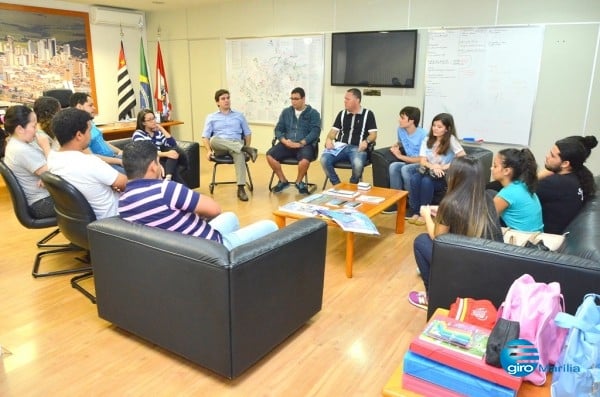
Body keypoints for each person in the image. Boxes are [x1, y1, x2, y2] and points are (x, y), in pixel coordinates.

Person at [119, 140, 278, 250]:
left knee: (231, 217)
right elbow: (214, 209)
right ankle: (233, 256)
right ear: (154, 166)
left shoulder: (123, 201)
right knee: (270, 226)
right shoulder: (166, 190)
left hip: (182, 244)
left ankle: (239, 258)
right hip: (210, 248)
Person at [409, 156, 503, 310]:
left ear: (454, 176)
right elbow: (468, 216)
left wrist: (426, 214)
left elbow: (439, 239)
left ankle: (432, 297)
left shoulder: (450, 203)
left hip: (467, 267)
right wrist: (440, 212)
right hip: (491, 266)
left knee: (421, 241)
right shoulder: (488, 197)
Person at [47, 108, 127, 220]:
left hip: (86, 220)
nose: (90, 135)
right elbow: (127, 185)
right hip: (115, 217)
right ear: (79, 135)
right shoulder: (89, 162)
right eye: (89, 131)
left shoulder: (52, 158)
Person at [408, 113, 465, 225]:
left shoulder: (451, 140)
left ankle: (425, 214)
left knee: (426, 181)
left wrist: (443, 167)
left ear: (447, 129)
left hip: (443, 175)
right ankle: (416, 211)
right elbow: (423, 161)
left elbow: (463, 157)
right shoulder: (427, 140)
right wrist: (434, 166)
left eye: (439, 127)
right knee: (414, 178)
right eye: (434, 125)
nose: (435, 129)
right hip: (429, 171)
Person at [202, 89, 258, 201]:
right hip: (220, 146)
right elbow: (205, 137)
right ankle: (246, 149)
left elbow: (247, 133)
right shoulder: (211, 117)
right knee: (214, 140)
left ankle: (241, 188)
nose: (226, 100)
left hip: (236, 144)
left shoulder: (239, 116)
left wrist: (246, 143)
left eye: (228, 98)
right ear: (217, 102)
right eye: (223, 99)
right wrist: (208, 150)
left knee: (238, 153)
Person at [2, 105, 55, 218]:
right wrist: (46, 146)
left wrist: (45, 176)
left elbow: (49, 172)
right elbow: (54, 173)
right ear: (20, 129)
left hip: (43, 197)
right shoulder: (21, 150)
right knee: (89, 195)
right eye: (34, 126)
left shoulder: (18, 143)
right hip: (42, 203)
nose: (36, 130)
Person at [537, 135, 597, 234]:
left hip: (544, 238)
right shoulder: (578, 178)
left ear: (565, 164)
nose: (547, 156)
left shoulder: (554, 183)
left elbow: (516, 195)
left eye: (552, 155)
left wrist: (538, 176)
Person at [267, 87, 321, 194]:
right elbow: (278, 129)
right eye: (292, 99)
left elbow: (315, 132)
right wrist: (283, 140)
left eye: (296, 99)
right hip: (287, 143)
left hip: (304, 145)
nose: (293, 101)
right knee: (270, 156)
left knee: (304, 161)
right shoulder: (286, 112)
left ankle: (299, 182)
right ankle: (283, 181)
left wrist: (301, 143)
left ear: (303, 99)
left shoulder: (313, 113)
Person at [320, 88, 377, 185]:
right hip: (340, 147)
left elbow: (373, 135)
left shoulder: (368, 114)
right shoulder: (342, 114)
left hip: (357, 148)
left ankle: (352, 185)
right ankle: (337, 185)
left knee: (358, 164)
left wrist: (366, 141)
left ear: (357, 100)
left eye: (348, 99)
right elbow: (333, 132)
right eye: (344, 99)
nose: (344, 101)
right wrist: (329, 139)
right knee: (324, 159)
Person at [384, 106, 427, 213]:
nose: (399, 120)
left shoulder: (424, 135)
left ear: (411, 120)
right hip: (408, 161)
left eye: (402, 118)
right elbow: (402, 142)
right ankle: (397, 202)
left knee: (406, 169)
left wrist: (400, 156)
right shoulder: (400, 130)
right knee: (393, 166)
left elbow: (422, 159)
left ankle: (413, 205)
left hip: (422, 164)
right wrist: (396, 145)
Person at [70, 92, 125, 174]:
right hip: (104, 165)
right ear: (79, 107)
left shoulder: (89, 122)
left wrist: (119, 151)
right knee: (138, 174)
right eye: (90, 105)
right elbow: (90, 157)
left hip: (113, 158)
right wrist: (118, 161)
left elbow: (102, 141)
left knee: (141, 162)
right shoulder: (77, 130)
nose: (94, 108)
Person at [490, 148, 543, 232]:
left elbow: (483, 221)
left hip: (522, 241)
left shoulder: (507, 194)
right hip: (538, 237)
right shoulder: (523, 185)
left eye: (495, 166)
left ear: (506, 171)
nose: (491, 168)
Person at [132, 109, 186, 184]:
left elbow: (172, 144)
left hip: (159, 158)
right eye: (150, 120)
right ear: (143, 123)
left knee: (175, 150)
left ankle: (168, 177)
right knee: (174, 169)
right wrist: (166, 154)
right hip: (147, 161)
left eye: (154, 118)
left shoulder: (157, 133)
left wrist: (161, 128)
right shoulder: (138, 134)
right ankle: (170, 178)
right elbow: (147, 152)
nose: (153, 121)